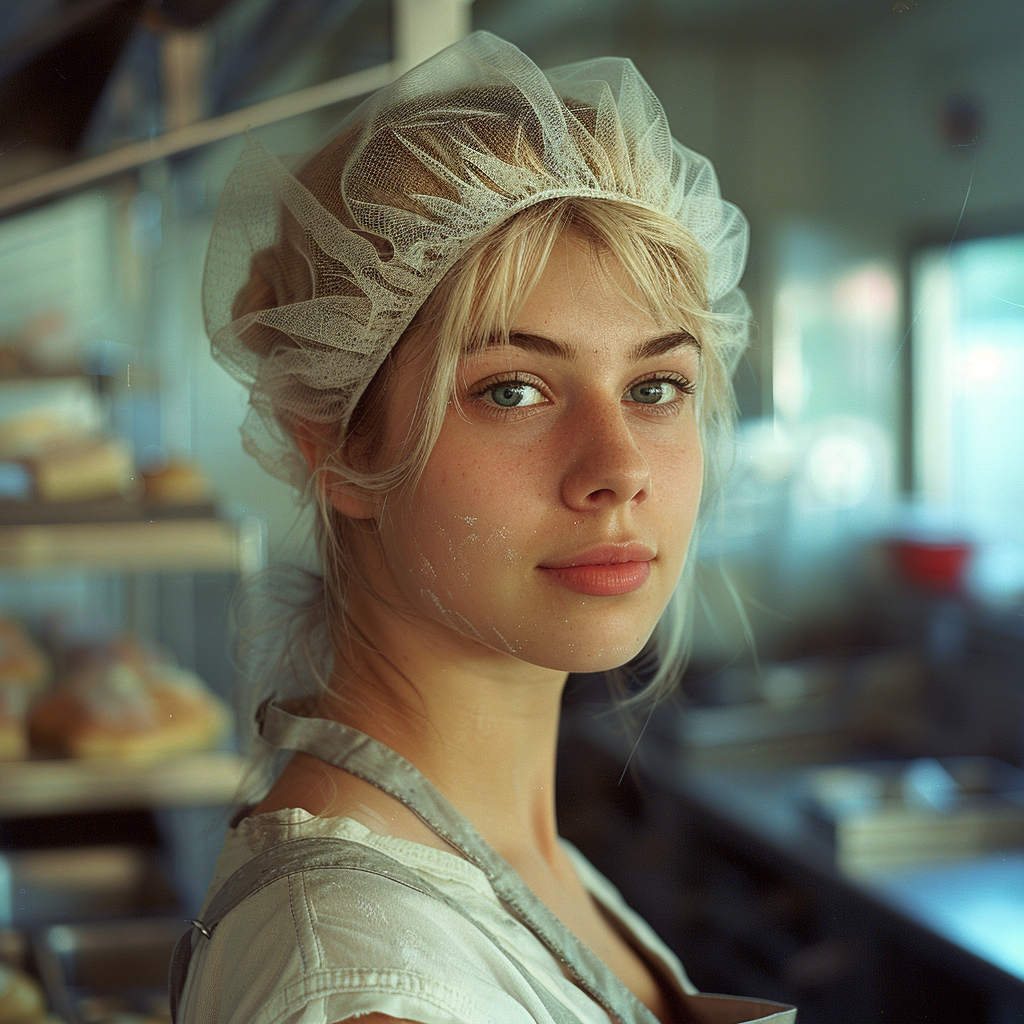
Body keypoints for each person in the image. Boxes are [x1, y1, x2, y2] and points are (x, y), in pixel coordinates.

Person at [173, 31, 795, 1024]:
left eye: (655, 385)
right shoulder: (371, 980)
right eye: (512, 389)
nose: (619, 467)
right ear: (333, 450)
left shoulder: (518, 855)